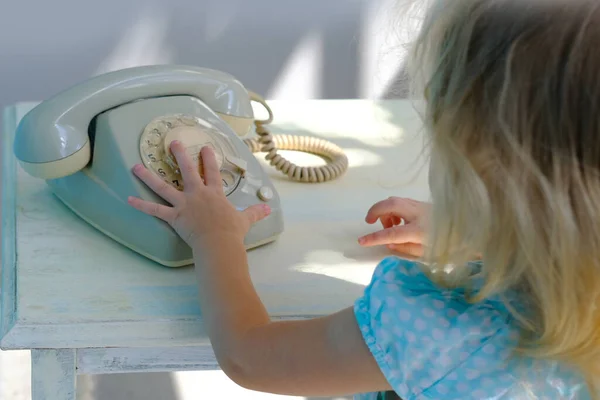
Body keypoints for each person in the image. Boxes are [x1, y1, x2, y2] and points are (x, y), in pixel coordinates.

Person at [127, 0, 600, 398]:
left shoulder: (436, 329)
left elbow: (249, 356)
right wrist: (485, 231)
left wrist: (215, 238)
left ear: (477, 166)